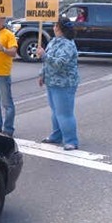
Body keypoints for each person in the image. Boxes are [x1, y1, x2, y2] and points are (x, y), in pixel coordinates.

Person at [35, 16, 80, 151]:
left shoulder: (67, 44)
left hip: (64, 84)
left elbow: (60, 63)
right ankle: (57, 135)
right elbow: (47, 61)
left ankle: (71, 140)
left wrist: (43, 55)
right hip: (52, 82)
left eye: (55, 25)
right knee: (56, 112)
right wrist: (42, 74)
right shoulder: (54, 41)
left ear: (60, 29)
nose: (53, 27)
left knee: (64, 113)